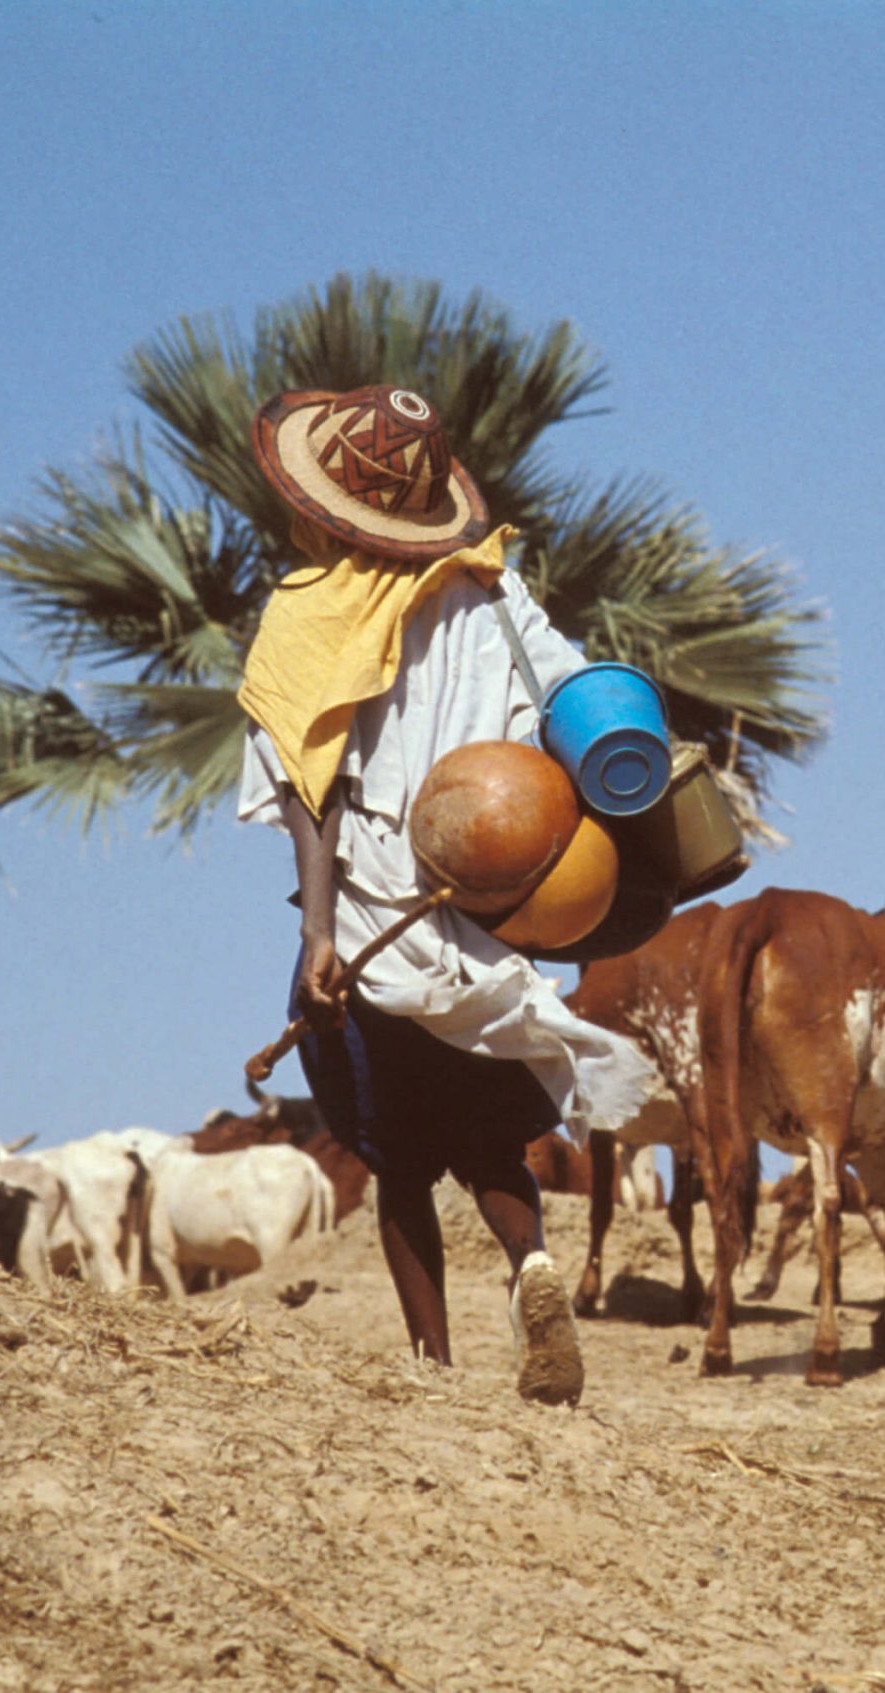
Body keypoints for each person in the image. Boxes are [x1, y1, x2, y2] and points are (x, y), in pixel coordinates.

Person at [235, 383, 661, 1404]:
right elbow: (579, 706)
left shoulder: (310, 613)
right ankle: (531, 1267)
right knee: (489, 1140)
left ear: (325, 501)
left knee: (397, 1161)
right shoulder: (494, 597)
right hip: (482, 914)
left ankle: (431, 1367)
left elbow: (309, 787)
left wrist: (321, 935)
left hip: (377, 921)